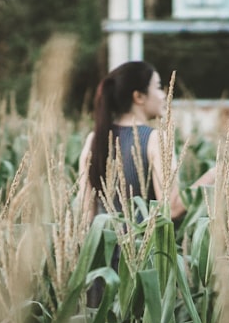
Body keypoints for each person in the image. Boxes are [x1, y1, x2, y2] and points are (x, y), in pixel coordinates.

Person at [77, 61, 186, 221]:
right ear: (139, 96)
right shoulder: (155, 139)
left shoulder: (94, 139)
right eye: (157, 87)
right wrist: (213, 177)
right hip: (145, 244)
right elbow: (172, 208)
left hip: (105, 245)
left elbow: (85, 218)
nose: (164, 95)